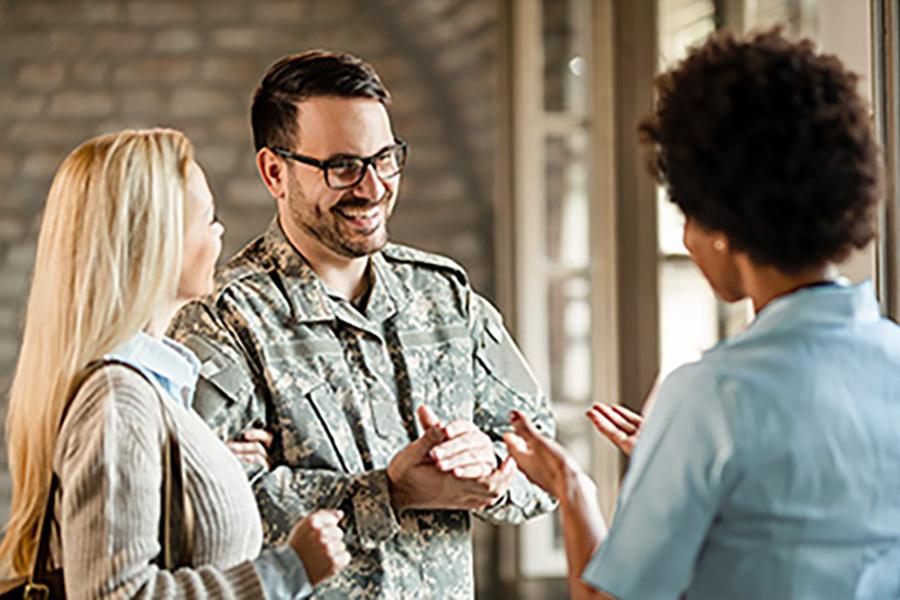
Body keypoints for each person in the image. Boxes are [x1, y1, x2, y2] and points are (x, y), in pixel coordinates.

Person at [503, 29, 900, 600]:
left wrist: (572, 488)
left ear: (723, 222)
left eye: (687, 213)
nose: (686, 239)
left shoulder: (711, 397)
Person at [168, 50, 557, 598]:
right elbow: (199, 515)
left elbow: (544, 466)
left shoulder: (445, 297)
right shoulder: (223, 321)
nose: (373, 188)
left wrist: (492, 471)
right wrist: (387, 494)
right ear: (274, 172)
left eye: (386, 158)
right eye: (343, 166)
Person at [0, 129, 349, 598]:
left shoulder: (147, 392)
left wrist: (201, 471)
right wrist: (287, 570)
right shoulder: (117, 401)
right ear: (156, 238)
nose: (220, 231)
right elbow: (115, 594)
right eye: (207, 217)